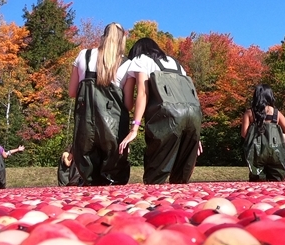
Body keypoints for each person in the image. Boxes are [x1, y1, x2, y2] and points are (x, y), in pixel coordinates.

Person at [117, 37, 202, 184]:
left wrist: (134, 128)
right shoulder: (175, 63)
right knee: (181, 178)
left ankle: (154, 205)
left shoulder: (141, 59)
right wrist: (195, 134)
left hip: (166, 117)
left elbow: (143, 94)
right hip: (192, 115)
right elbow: (188, 95)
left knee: (155, 177)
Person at [67, 22, 130, 186]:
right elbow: (128, 104)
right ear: (123, 40)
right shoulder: (126, 64)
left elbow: (72, 92)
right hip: (113, 129)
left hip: (85, 126)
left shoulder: (84, 55)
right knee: (114, 184)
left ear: (103, 37)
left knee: (89, 180)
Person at [241, 85, 285, 181]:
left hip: (256, 151)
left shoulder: (249, 113)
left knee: (257, 177)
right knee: (276, 178)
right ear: (270, 96)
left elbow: (244, 134)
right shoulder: (276, 113)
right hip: (275, 150)